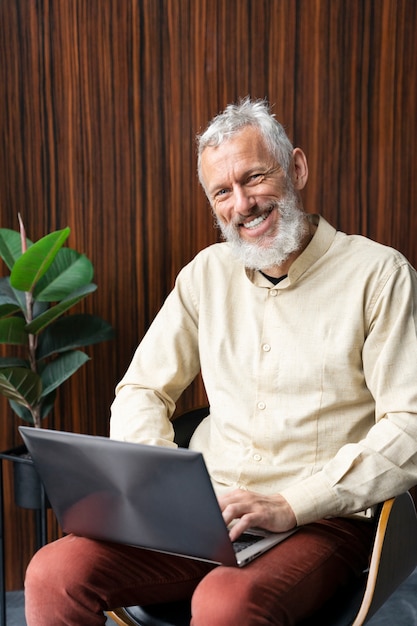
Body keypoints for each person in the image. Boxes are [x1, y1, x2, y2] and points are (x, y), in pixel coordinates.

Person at [25, 98, 417, 625]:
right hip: (207, 514)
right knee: (53, 572)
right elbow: (141, 390)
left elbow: (410, 425)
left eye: (254, 178)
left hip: (324, 518)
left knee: (225, 602)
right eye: (222, 192)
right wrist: (161, 490)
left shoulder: (379, 275)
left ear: (296, 167)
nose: (242, 204)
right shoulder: (204, 275)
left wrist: (293, 503)